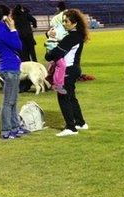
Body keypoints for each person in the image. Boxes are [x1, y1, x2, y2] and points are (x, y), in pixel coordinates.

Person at [45, 9, 89, 137]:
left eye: (66, 21)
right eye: (63, 20)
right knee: (71, 96)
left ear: (74, 23)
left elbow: (53, 55)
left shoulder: (71, 37)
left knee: (63, 97)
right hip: (74, 69)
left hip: (67, 71)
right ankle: (80, 123)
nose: (64, 23)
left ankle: (71, 127)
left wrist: (49, 49)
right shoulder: (77, 35)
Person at [0, 5, 30, 140]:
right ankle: (7, 130)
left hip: (6, 66)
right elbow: (18, 46)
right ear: (4, 17)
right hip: (10, 67)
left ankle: (15, 127)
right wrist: (12, 29)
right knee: (9, 102)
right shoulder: (2, 31)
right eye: (9, 15)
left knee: (13, 100)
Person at [45, 1, 68, 94]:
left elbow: (50, 32)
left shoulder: (55, 20)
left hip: (52, 46)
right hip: (54, 47)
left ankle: (52, 82)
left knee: (56, 64)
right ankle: (57, 84)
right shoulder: (62, 20)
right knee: (61, 65)